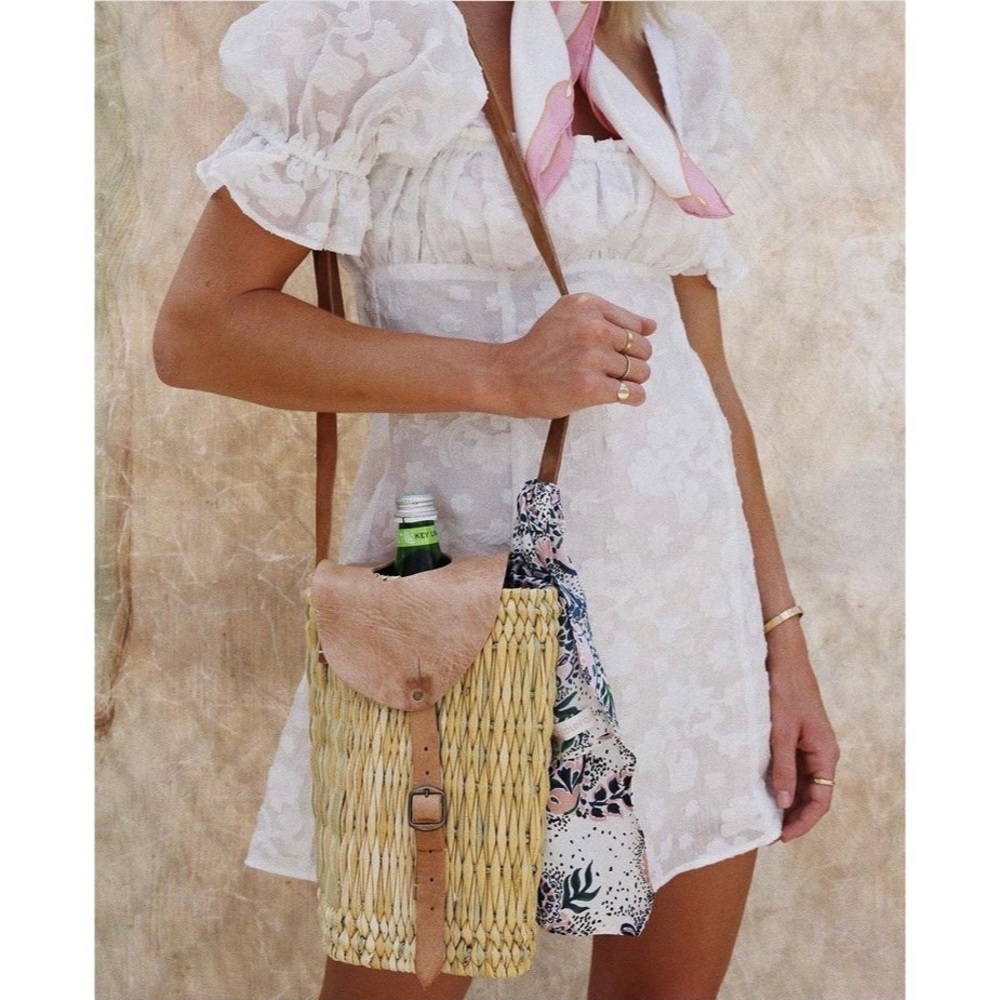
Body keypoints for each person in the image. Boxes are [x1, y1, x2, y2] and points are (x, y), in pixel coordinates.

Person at [154, 2, 839, 998]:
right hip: (456, 620)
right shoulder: (381, 35)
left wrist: (781, 640)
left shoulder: (670, 57)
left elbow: (709, 381)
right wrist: (500, 373)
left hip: (693, 632)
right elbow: (199, 331)